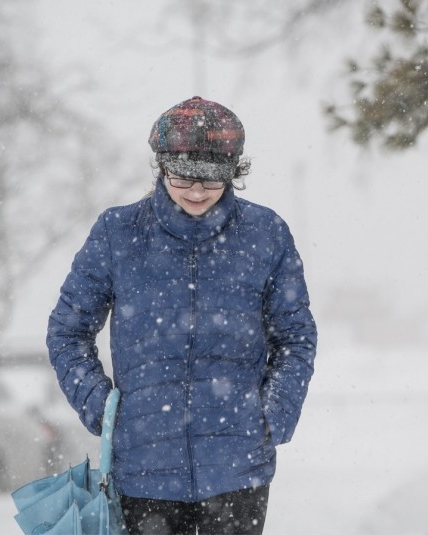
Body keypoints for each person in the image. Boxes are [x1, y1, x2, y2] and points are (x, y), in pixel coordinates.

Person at [47, 96, 318, 534]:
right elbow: (67, 331)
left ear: (233, 173)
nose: (196, 192)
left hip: (237, 465)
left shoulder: (267, 234)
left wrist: (273, 414)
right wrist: (103, 408)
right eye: (183, 178)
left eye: (211, 181)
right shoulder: (118, 234)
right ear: (161, 166)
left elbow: (296, 338)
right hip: (144, 467)